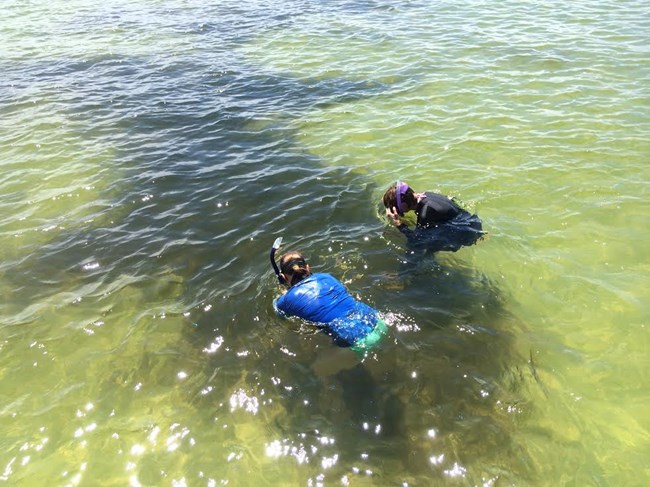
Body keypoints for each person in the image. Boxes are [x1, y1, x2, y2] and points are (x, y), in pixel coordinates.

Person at [273, 251, 387, 356]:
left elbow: (284, 317)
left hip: (353, 339)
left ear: (282, 277)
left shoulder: (284, 301)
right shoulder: (326, 276)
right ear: (307, 267)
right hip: (377, 321)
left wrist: (284, 293)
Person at [383, 181, 485, 252]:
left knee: (417, 247)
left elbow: (416, 240)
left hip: (467, 234)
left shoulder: (425, 213)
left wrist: (398, 224)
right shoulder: (427, 194)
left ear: (404, 206)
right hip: (473, 222)